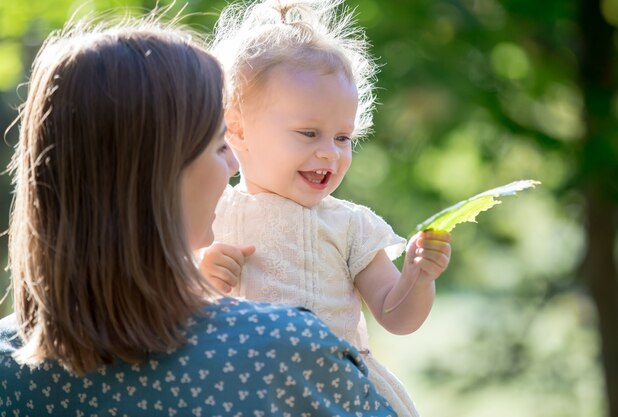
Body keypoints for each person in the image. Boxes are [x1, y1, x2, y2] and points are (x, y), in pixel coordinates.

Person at [0, 13, 398, 416]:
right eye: (218, 144)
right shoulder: (286, 351)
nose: (232, 165)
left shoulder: (7, 366)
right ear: (158, 173)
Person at [200, 1, 452, 416]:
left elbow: (397, 316)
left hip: (337, 396)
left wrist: (417, 278)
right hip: (245, 395)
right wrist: (202, 280)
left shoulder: (350, 225)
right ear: (238, 128)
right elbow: (171, 316)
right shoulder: (210, 216)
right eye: (309, 133)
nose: (329, 154)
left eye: (342, 138)